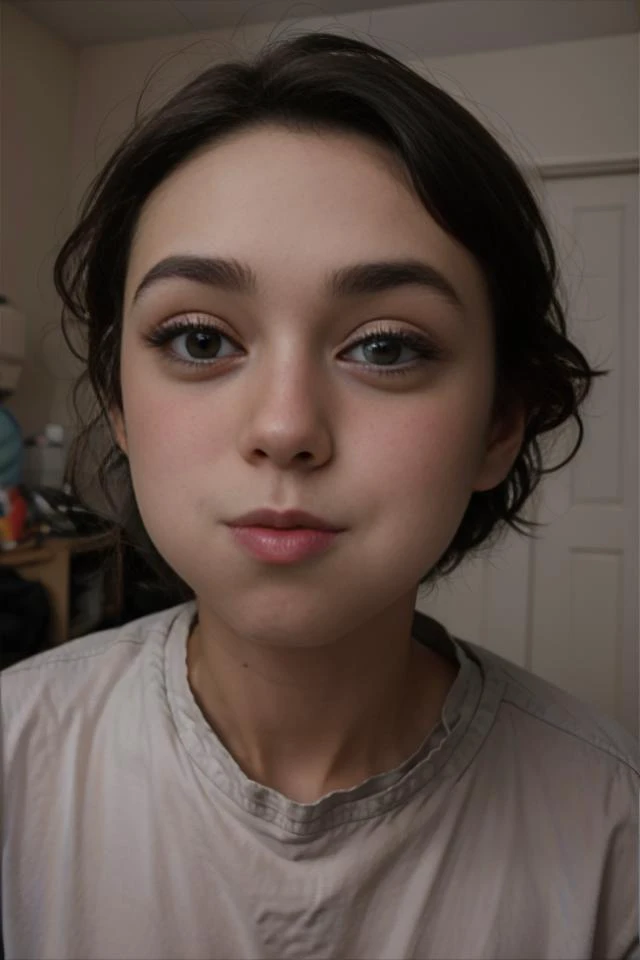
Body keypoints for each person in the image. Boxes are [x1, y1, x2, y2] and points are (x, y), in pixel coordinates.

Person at [1, 30, 638, 960]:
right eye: (201, 340)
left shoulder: (613, 837)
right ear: (122, 410)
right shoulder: (15, 766)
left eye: (385, 345)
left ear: (500, 424)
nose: (286, 426)